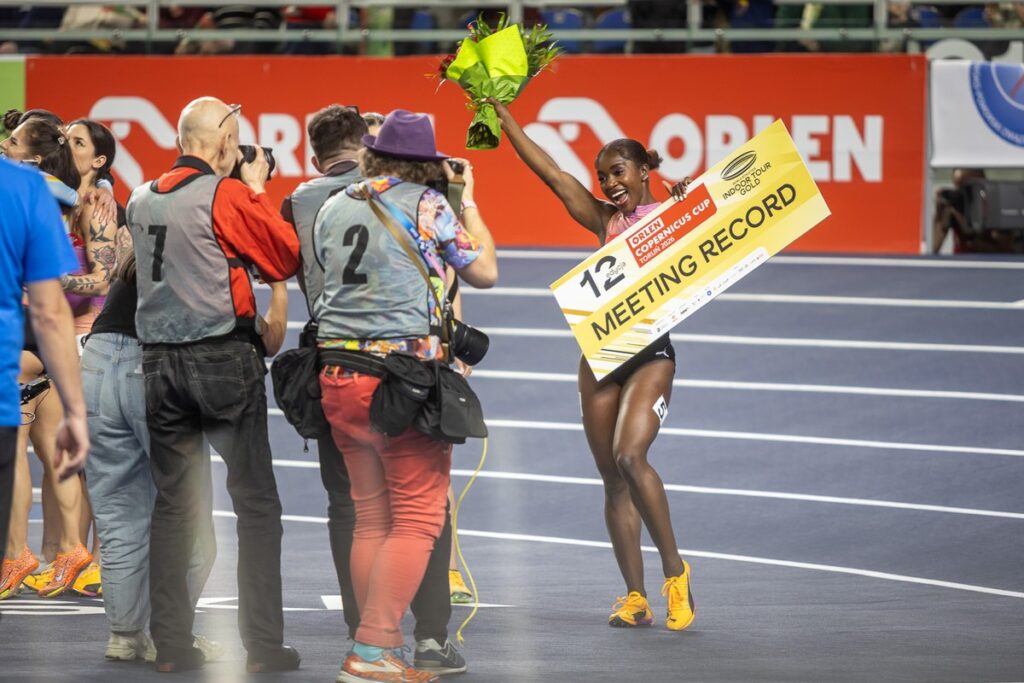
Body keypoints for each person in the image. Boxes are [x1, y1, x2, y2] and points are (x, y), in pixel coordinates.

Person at [490, 99, 696, 631]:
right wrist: (504, 118)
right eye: (603, 176)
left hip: (652, 353)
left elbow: (720, 221)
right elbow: (551, 174)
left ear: (645, 170)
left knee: (631, 456)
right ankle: (635, 596)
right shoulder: (605, 220)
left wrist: (691, 198)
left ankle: (675, 572)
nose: (609, 183)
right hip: (600, 355)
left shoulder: (677, 211)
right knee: (611, 478)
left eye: (619, 172)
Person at [282, 103, 466, 676]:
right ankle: (384, 645)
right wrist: (466, 198)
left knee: (366, 517)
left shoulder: (325, 204)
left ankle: (371, 645)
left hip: (335, 369)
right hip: (403, 375)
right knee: (419, 516)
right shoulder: (429, 203)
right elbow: (475, 269)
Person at [126, 96, 299, 673]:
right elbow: (283, 256)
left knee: (174, 510)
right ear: (225, 144)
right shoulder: (225, 194)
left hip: (158, 363)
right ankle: (265, 647)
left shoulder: (139, 196)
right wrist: (254, 189)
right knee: (255, 506)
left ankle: (170, 646)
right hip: (223, 358)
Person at [81, 211, 222, 662]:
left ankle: (124, 636)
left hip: (98, 359)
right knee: (191, 519)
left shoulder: (138, 247)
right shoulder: (198, 245)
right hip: (152, 365)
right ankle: (171, 635)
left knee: (120, 515)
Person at [0, 116, 95, 599]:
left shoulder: (27, 187)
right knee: (53, 449)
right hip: (46, 332)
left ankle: (15, 552)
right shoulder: (63, 194)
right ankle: (73, 547)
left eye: (12, 141)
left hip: (18, 329)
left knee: (10, 452)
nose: (5, 146)